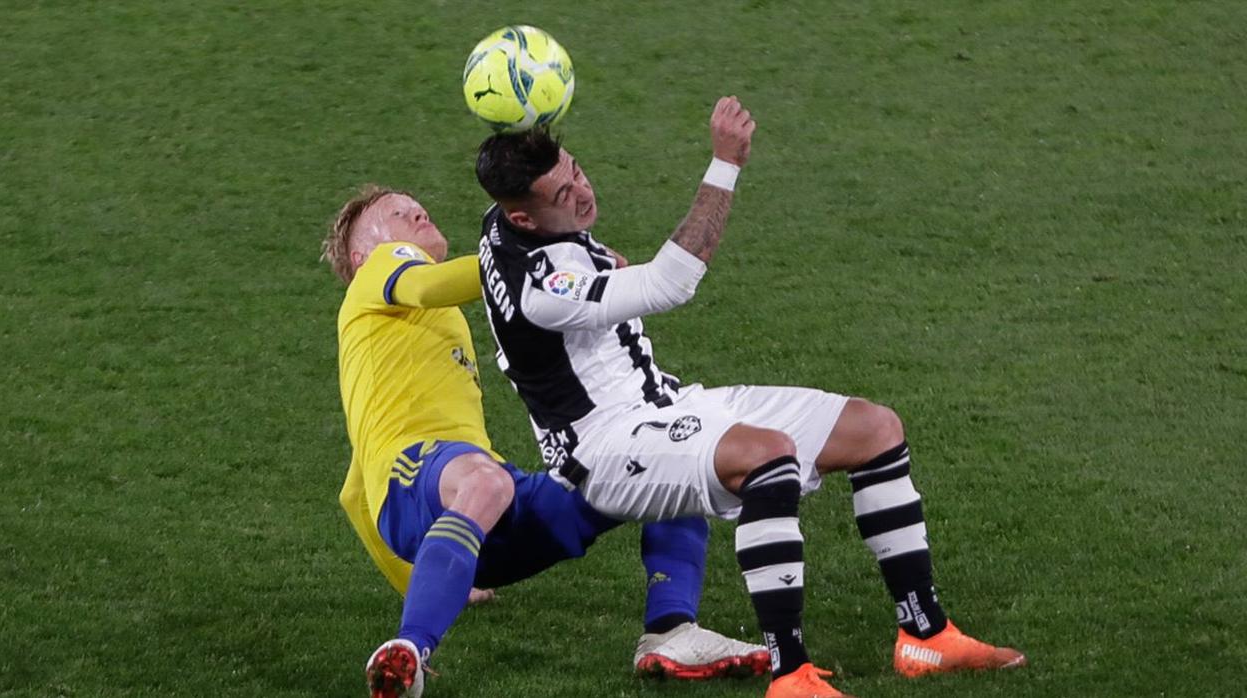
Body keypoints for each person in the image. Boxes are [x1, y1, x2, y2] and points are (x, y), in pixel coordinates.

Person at [473, 97, 1027, 698]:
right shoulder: (542, 286)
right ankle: (789, 674)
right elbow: (672, 281)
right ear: (523, 220)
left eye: (576, 170)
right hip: (605, 447)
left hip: (667, 405)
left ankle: (926, 635)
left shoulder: (506, 220)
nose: (583, 192)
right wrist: (725, 163)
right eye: (563, 193)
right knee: (766, 456)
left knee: (874, 428)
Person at [322, 185, 769, 698]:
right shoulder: (379, 272)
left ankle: (670, 633)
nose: (416, 210)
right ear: (360, 258)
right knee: (486, 480)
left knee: (667, 465)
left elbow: (354, 496)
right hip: (428, 474)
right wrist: (536, 264)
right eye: (396, 214)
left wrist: (428, 577)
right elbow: (428, 287)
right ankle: (410, 650)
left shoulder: (396, 333)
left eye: (415, 204)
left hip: (473, 512)